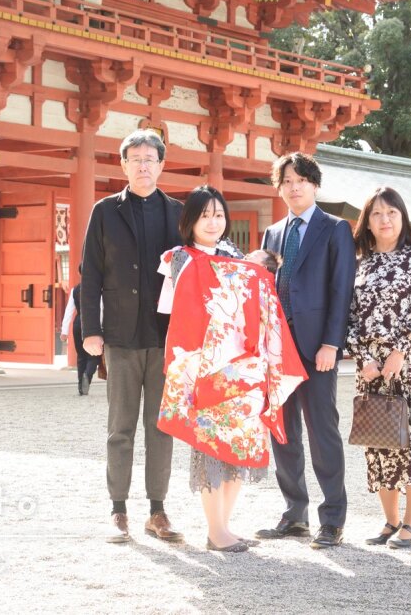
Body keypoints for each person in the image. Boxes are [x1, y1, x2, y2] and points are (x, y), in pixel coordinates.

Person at [157, 186, 306, 553]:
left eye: (219, 215)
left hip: (244, 369)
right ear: (189, 220)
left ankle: (225, 524)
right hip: (204, 367)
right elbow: (170, 316)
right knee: (209, 449)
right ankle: (213, 529)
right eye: (204, 215)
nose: (213, 222)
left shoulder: (237, 259)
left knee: (239, 446)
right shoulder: (178, 259)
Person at [79, 129, 185, 544]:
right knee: (120, 427)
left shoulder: (178, 213)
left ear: (161, 164)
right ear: (123, 165)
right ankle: (118, 509)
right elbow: (91, 276)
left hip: (166, 337)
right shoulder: (105, 211)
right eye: (135, 158)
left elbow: (193, 271)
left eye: (150, 158)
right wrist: (91, 330)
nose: (143, 165)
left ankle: (157, 511)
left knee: (161, 427)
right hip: (120, 336)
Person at [256, 152, 356, 549]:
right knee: (283, 432)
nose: (294, 187)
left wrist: (332, 342)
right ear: (279, 188)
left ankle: (332, 518)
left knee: (322, 430)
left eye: (301, 180)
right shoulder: (273, 233)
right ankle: (294, 512)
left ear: (315, 185)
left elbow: (341, 289)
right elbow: (265, 289)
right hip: (278, 348)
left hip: (318, 347)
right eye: (286, 182)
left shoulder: (335, 229)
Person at [345, 186, 411, 549]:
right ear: (367, 222)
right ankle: (389, 520)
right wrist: (364, 358)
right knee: (379, 440)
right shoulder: (359, 264)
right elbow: (347, 317)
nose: (385, 220)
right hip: (369, 368)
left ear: (403, 218)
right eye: (377, 214)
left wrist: (399, 352)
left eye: (392, 213)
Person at [60, 283, 101, 396]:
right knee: (94, 354)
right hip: (93, 323)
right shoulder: (98, 287)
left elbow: (69, 311)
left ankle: (80, 386)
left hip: (78, 323)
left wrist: (64, 331)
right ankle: (87, 376)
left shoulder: (75, 289)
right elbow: (101, 307)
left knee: (81, 356)